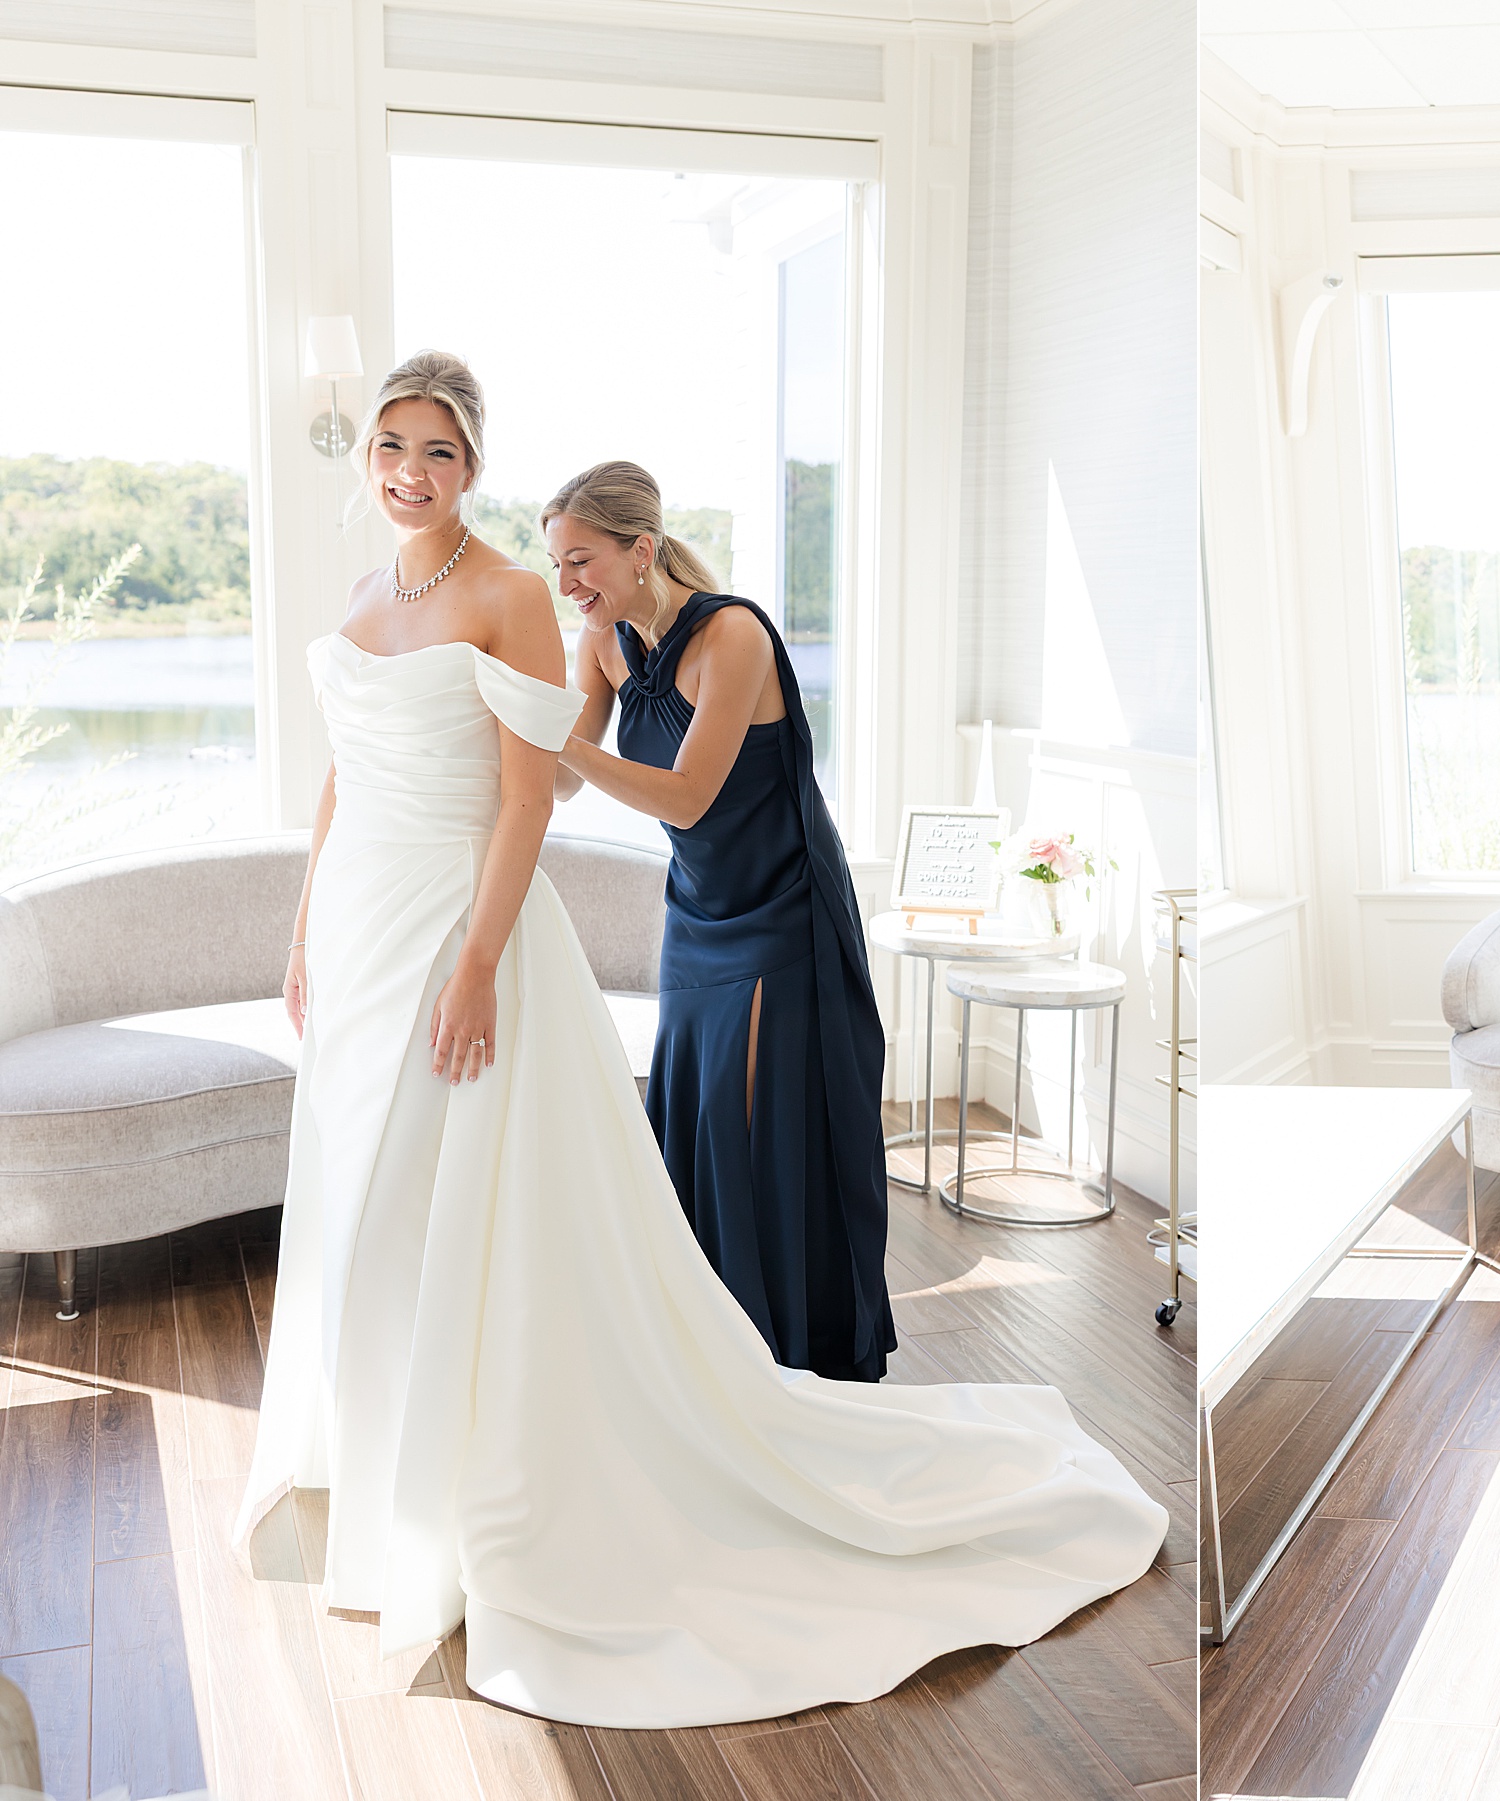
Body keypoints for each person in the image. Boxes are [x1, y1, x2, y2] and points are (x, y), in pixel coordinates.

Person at [238, 350, 1166, 1728]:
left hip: (758, 910)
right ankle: (390, 1460)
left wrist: (486, 945)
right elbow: (369, 773)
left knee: (754, 1133)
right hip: (443, 926)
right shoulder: (445, 609)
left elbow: (571, 792)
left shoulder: (674, 626)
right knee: (396, 1212)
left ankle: (791, 1355)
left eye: (435, 449)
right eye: (388, 444)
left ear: (484, 470)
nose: (409, 471)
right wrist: (307, 926)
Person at [544, 460, 894, 1381]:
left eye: (581, 560)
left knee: (764, 1124)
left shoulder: (732, 633)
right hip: (698, 912)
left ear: (641, 550)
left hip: (785, 908)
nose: (568, 584)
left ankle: (789, 1356)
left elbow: (691, 797)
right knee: (697, 1119)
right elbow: (563, 781)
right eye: (557, 566)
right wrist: (496, 724)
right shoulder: (604, 641)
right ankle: (707, 1357)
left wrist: (561, 740)